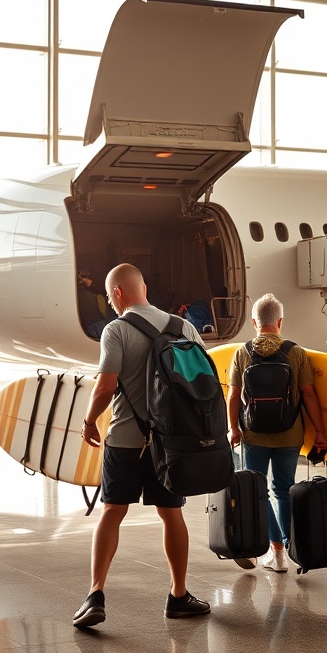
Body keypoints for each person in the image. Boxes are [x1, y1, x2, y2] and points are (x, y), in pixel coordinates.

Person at [73, 263, 211, 628]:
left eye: (108, 296)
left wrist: (88, 422)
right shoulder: (185, 327)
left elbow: (104, 388)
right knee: (171, 514)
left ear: (117, 293)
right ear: (143, 286)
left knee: (112, 511)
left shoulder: (116, 330)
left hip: (125, 441)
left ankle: (95, 594)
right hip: (171, 444)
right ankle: (179, 595)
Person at [227, 293, 327, 572]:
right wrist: (320, 431)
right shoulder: (296, 353)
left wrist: (233, 429)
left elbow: (233, 396)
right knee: (283, 490)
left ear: (254, 322)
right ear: (280, 321)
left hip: (254, 435)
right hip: (289, 434)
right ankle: (291, 546)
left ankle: (277, 553)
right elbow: (308, 394)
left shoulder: (242, 352)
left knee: (258, 491)